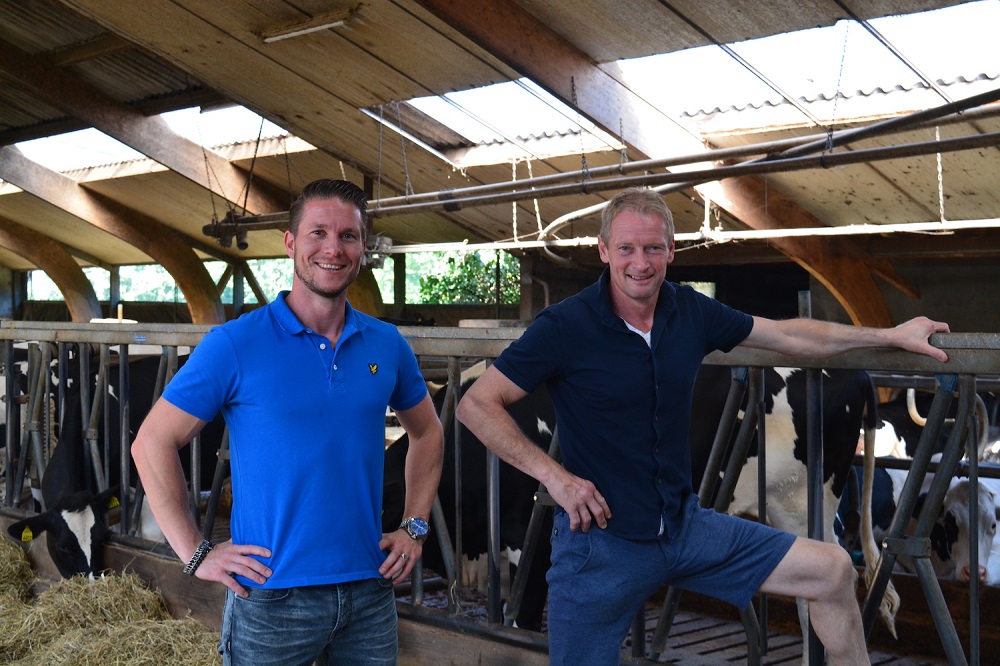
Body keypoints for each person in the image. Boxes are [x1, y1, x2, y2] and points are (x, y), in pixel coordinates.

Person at [456, 187, 950, 666]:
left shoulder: (688, 309)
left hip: (686, 528)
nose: (640, 262)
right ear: (604, 250)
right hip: (600, 545)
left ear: (671, 251)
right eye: (626, 247)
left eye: (653, 248)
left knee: (834, 570)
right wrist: (556, 478)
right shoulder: (564, 326)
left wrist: (889, 334)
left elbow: (787, 335)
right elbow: (477, 404)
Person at [132, 178, 444, 666]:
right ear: (291, 243)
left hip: (369, 588)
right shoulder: (235, 344)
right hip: (271, 595)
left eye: (348, 236)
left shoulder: (387, 344)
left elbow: (427, 432)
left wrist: (415, 525)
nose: (333, 250)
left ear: (363, 248)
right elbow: (151, 442)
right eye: (318, 233)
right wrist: (195, 553)